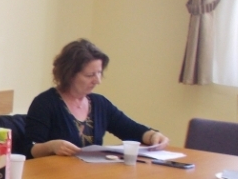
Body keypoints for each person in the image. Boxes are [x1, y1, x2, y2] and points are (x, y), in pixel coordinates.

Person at [27, 38, 169, 157]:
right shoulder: (44, 103)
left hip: (90, 175)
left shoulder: (100, 104)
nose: (97, 81)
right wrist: (51, 147)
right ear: (69, 75)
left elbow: (131, 130)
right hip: (54, 177)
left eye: (99, 73)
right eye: (90, 75)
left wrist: (153, 136)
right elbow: (29, 149)